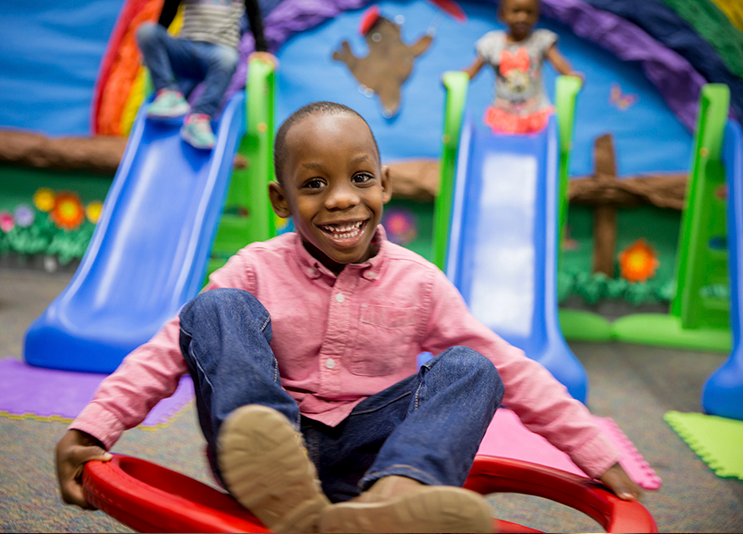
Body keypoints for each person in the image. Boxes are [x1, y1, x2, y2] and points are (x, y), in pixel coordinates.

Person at [56, 101, 642, 533]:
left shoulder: (419, 282)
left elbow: (514, 369)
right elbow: (165, 350)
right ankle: (285, 489)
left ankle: (394, 499)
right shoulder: (255, 267)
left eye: (360, 178)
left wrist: (594, 449)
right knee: (213, 310)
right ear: (282, 200)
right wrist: (94, 428)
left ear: (384, 186)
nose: (341, 198)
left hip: (374, 456)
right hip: (268, 448)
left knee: (475, 366)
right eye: (314, 184)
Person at [136, 0, 269, 149]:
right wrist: (153, 49)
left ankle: (199, 118)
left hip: (218, 53)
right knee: (147, 31)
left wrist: (262, 50)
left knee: (228, 58)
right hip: (187, 49)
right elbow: (168, 12)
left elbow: (254, 16)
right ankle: (169, 94)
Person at [463, 0, 580, 134]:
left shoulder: (540, 40)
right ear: (502, 14)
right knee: (503, 150)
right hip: (504, 114)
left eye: (529, 12)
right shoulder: (492, 43)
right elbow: (472, 70)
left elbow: (558, 61)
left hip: (535, 112)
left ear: (537, 16)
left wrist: (570, 74)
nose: (522, 17)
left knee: (536, 149)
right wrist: (456, 79)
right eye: (516, 11)